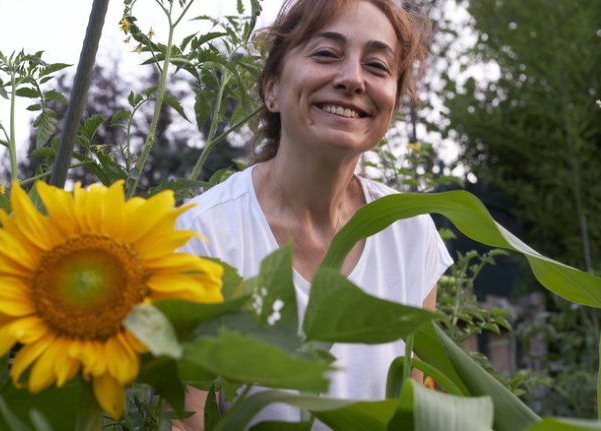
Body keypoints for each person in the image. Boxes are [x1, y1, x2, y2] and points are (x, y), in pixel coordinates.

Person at [174, 0, 452, 428]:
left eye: (378, 66)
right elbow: (185, 422)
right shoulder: (203, 233)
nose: (352, 79)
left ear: (393, 101)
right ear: (272, 89)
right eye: (326, 54)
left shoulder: (411, 233)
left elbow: (416, 409)